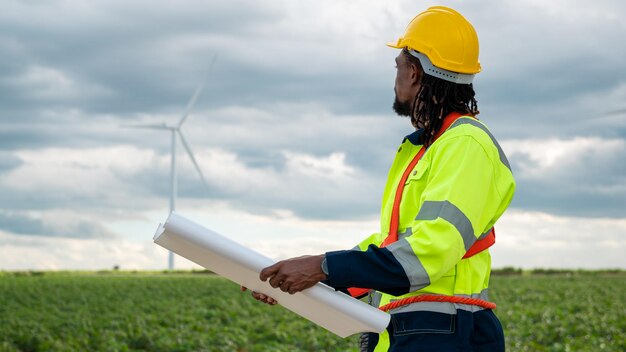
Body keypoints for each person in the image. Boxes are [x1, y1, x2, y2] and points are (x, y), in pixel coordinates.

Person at [244, 6, 515, 351]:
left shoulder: (465, 144)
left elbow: (428, 251)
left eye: (398, 66)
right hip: (415, 329)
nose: (396, 77)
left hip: (445, 332)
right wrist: (301, 281)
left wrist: (323, 267)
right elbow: (392, 242)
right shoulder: (427, 148)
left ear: (415, 72)